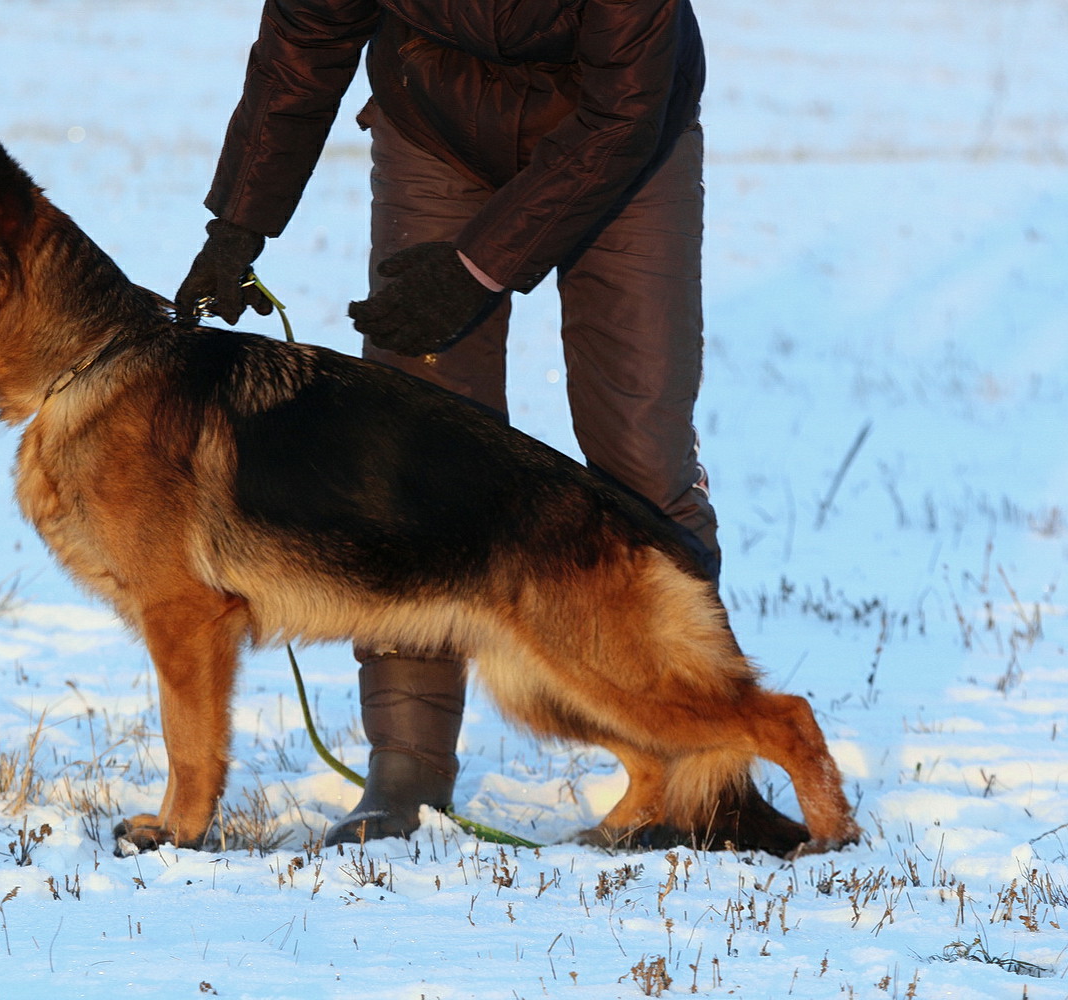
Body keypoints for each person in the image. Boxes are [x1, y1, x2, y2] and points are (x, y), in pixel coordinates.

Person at [178, 0, 744, 848]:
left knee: (639, 449)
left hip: (623, 140)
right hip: (436, 128)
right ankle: (405, 767)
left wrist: (476, 270)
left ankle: (705, 770)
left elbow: (625, 110)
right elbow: (305, 40)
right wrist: (238, 226)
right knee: (405, 463)